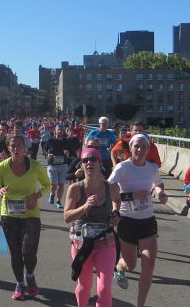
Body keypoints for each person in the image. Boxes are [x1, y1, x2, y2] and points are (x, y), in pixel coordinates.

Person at [108, 134, 167, 307]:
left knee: (149, 263)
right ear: (131, 147)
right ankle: (119, 268)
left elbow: (158, 184)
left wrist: (160, 192)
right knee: (131, 264)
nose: (140, 150)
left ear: (148, 150)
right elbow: (110, 187)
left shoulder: (151, 168)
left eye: (144, 147)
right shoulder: (122, 168)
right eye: (136, 146)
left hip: (147, 220)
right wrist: (129, 196)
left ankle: (140, 304)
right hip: (127, 221)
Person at [0, 135, 51, 300]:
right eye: (12, 146)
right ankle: (19, 283)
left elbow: (47, 185)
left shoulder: (35, 166)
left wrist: (36, 196)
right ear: (8, 148)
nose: (16, 149)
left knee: (29, 252)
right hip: (9, 215)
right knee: (16, 253)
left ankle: (29, 275)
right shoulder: (2, 167)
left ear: (25, 148)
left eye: (19, 146)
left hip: (31, 214)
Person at [64, 148, 121, 307]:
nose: (89, 162)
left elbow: (117, 200)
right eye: (85, 160)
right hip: (82, 244)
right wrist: (84, 207)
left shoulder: (111, 187)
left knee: (104, 289)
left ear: (100, 163)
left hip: (106, 243)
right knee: (84, 287)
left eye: (93, 159)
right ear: (81, 165)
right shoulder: (75, 189)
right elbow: (67, 217)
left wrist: (116, 213)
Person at [44, 125, 72, 209]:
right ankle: (52, 194)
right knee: (54, 184)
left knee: (61, 184)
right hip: (52, 165)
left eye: (61, 130)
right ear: (55, 131)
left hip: (63, 165)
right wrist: (48, 154)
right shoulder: (50, 140)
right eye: (58, 130)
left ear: (63, 132)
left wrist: (68, 152)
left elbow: (72, 150)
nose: (60, 131)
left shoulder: (66, 141)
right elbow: (45, 149)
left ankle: (58, 201)